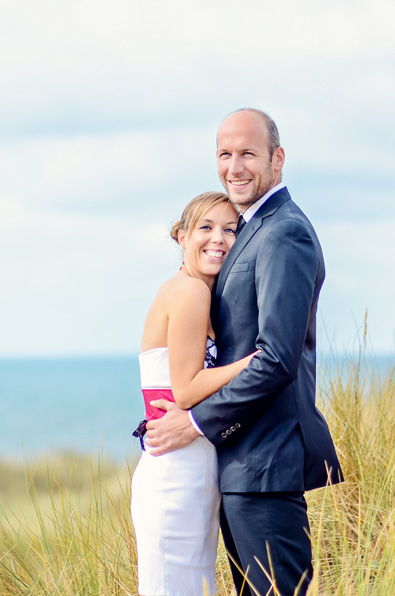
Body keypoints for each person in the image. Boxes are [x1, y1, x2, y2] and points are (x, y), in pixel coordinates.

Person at [145, 109, 343, 596]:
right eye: (224, 154)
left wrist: (193, 421)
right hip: (237, 468)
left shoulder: (283, 232)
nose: (234, 167)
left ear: (277, 159)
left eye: (248, 154)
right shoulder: (248, 230)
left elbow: (275, 358)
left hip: (266, 466)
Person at [131, 191, 260, 596]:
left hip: (191, 465)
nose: (218, 238)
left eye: (230, 229)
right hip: (176, 474)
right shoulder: (190, 291)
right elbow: (185, 390)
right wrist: (253, 362)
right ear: (181, 237)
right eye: (206, 227)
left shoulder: (200, 293)